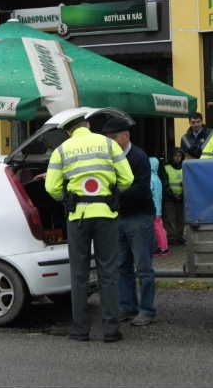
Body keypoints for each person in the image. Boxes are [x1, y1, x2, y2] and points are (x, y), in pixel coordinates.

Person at [45, 113, 133, 343]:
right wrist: (112, 192)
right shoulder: (108, 144)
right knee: (109, 273)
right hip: (106, 215)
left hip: (78, 217)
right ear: (88, 125)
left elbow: (51, 188)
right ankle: (111, 330)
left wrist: (68, 198)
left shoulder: (61, 150)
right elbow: (128, 178)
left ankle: (80, 330)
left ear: (68, 131)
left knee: (79, 274)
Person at [101, 115, 156, 327]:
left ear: (125, 136)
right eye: (108, 138)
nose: (110, 142)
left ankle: (147, 310)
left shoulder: (138, 157)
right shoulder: (110, 158)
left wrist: (115, 195)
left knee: (143, 266)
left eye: (113, 137)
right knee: (122, 266)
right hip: (119, 217)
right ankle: (127, 307)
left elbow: (142, 190)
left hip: (139, 218)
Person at [163, 148, 185, 245]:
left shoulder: (185, 167)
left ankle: (179, 237)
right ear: (172, 157)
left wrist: (182, 194)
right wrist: (173, 195)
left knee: (181, 219)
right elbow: (165, 184)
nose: (177, 158)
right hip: (170, 198)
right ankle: (171, 237)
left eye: (179, 156)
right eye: (175, 155)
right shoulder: (166, 167)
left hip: (182, 197)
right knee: (170, 218)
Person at [150, 157, 169, 255]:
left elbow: (149, 193)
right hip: (158, 208)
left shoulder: (151, 179)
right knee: (160, 228)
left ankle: (162, 248)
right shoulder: (157, 178)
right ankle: (164, 246)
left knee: (157, 228)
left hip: (153, 208)